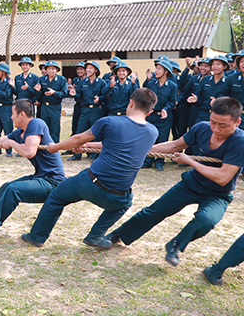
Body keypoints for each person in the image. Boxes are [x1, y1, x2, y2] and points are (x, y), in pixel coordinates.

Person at [104, 96, 244, 266]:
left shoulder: (239, 141)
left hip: (218, 194)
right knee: (155, 210)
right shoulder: (202, 128)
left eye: (223, 125)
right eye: (213, 122)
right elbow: (174, 146)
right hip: (192, 184)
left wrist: (190, 161)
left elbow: (223, 177)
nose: (216, 129)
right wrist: (140, 150)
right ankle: (119, 235)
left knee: (206, 221)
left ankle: (175, 245)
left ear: (237, 123)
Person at [21, 88, 159, 249]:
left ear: (131, 102)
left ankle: (36, 236)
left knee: (57, 196)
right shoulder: (153, 132)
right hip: (117, 196)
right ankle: (95, 236)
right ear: (150, 112)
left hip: (89, 183)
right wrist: (88, 146)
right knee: (126, 203)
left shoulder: (109, 121)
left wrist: (55, 147)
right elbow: (116, 143)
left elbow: (78, 138)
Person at [0, 99, 66, 241]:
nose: (10, 117)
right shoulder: (19, 132)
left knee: (13, 190)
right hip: (40, 176)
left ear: (22, 114)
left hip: (53, 181)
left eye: (12, 113)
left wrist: (12, 143)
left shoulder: (36, 124)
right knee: (7, 186)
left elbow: (29, 152)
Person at [67, 61, 110, 161]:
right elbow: (79, 97)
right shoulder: (82, 82)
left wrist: (99, 98)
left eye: (91, 68)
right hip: (84, 110)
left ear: (96, 70)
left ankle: (95, 156)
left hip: (96, 110)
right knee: (80, 132)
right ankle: (77, 155)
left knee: (96, 133)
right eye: (87, 68)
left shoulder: (101, 82)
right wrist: (74, 94)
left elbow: (105, 96)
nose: (88, 70)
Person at [141, 59, 177, 171]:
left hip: (165, 118)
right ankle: (147, 160)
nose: (156, 71)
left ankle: (160, 161)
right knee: (150, 138)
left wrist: (166, 109)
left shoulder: (172, 86)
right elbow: (146, 95)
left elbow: (172, 101)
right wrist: (147, 79)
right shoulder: (151, 84)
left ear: (166, 71)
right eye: (156, 68)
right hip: (151, 116)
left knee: (163, 139)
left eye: (159, 69)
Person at [35, 60, 68, 143]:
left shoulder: (61, 79)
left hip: (55, 106)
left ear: (57, 70)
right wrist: (38, 91)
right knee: (44, 127)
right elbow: (40, 95)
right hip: (44, 107)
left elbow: (64, 93)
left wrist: (54, 93)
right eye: (49, 69)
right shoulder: (42, 79)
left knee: (55, 128)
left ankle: (54, 148)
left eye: (53, 69)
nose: (50, 71)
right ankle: (44, 147)